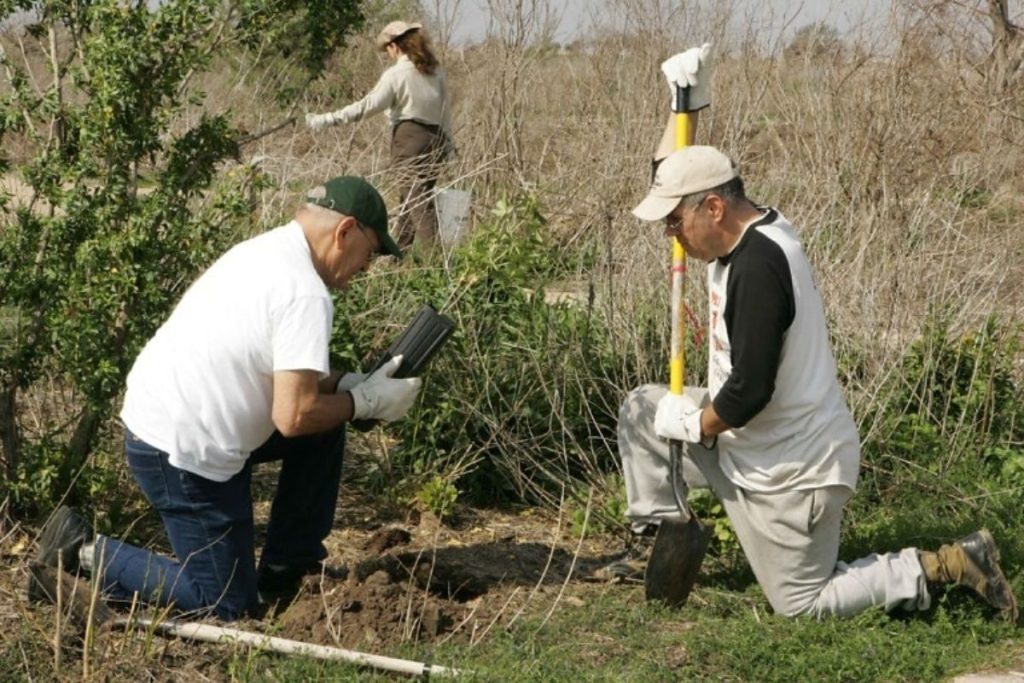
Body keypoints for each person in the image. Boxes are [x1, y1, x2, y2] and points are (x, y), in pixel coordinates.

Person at [599, 49, 1018, 621]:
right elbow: (678, 168)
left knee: (801, 606)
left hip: (794, 474)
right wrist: (684, 104)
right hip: (747, 445)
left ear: (715, 208)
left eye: (676, 221)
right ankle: (663, 534)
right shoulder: (744, 225)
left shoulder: (760, 269)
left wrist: (694, 423)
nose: (671, 234)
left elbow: (748, 394)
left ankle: (947, 562)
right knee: (642, 411)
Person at [30, 176, 423, 621]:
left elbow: (282, 371)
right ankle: (81, 550)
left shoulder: (267, 251)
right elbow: (293, 416)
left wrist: (347, 383)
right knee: (224, 605)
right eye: (370, 252)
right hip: (180, 452)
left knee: (324, 429)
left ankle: (286, 567)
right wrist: (365, 403)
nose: (367, 266)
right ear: (345, 230)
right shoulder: (305, 293)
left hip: (168, 420)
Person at [306, 20, 452, 250]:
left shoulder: (397, 74)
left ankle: (437, 261)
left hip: (409, 139)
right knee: (411, 199)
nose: (388, 54)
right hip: (437, 139)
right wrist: (448, 143)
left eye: (388, 50)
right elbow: (446, 111)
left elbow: (367, 106)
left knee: (417, 201)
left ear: (395, 46)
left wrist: (327, 119)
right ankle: (399, 255)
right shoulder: (435, 73)